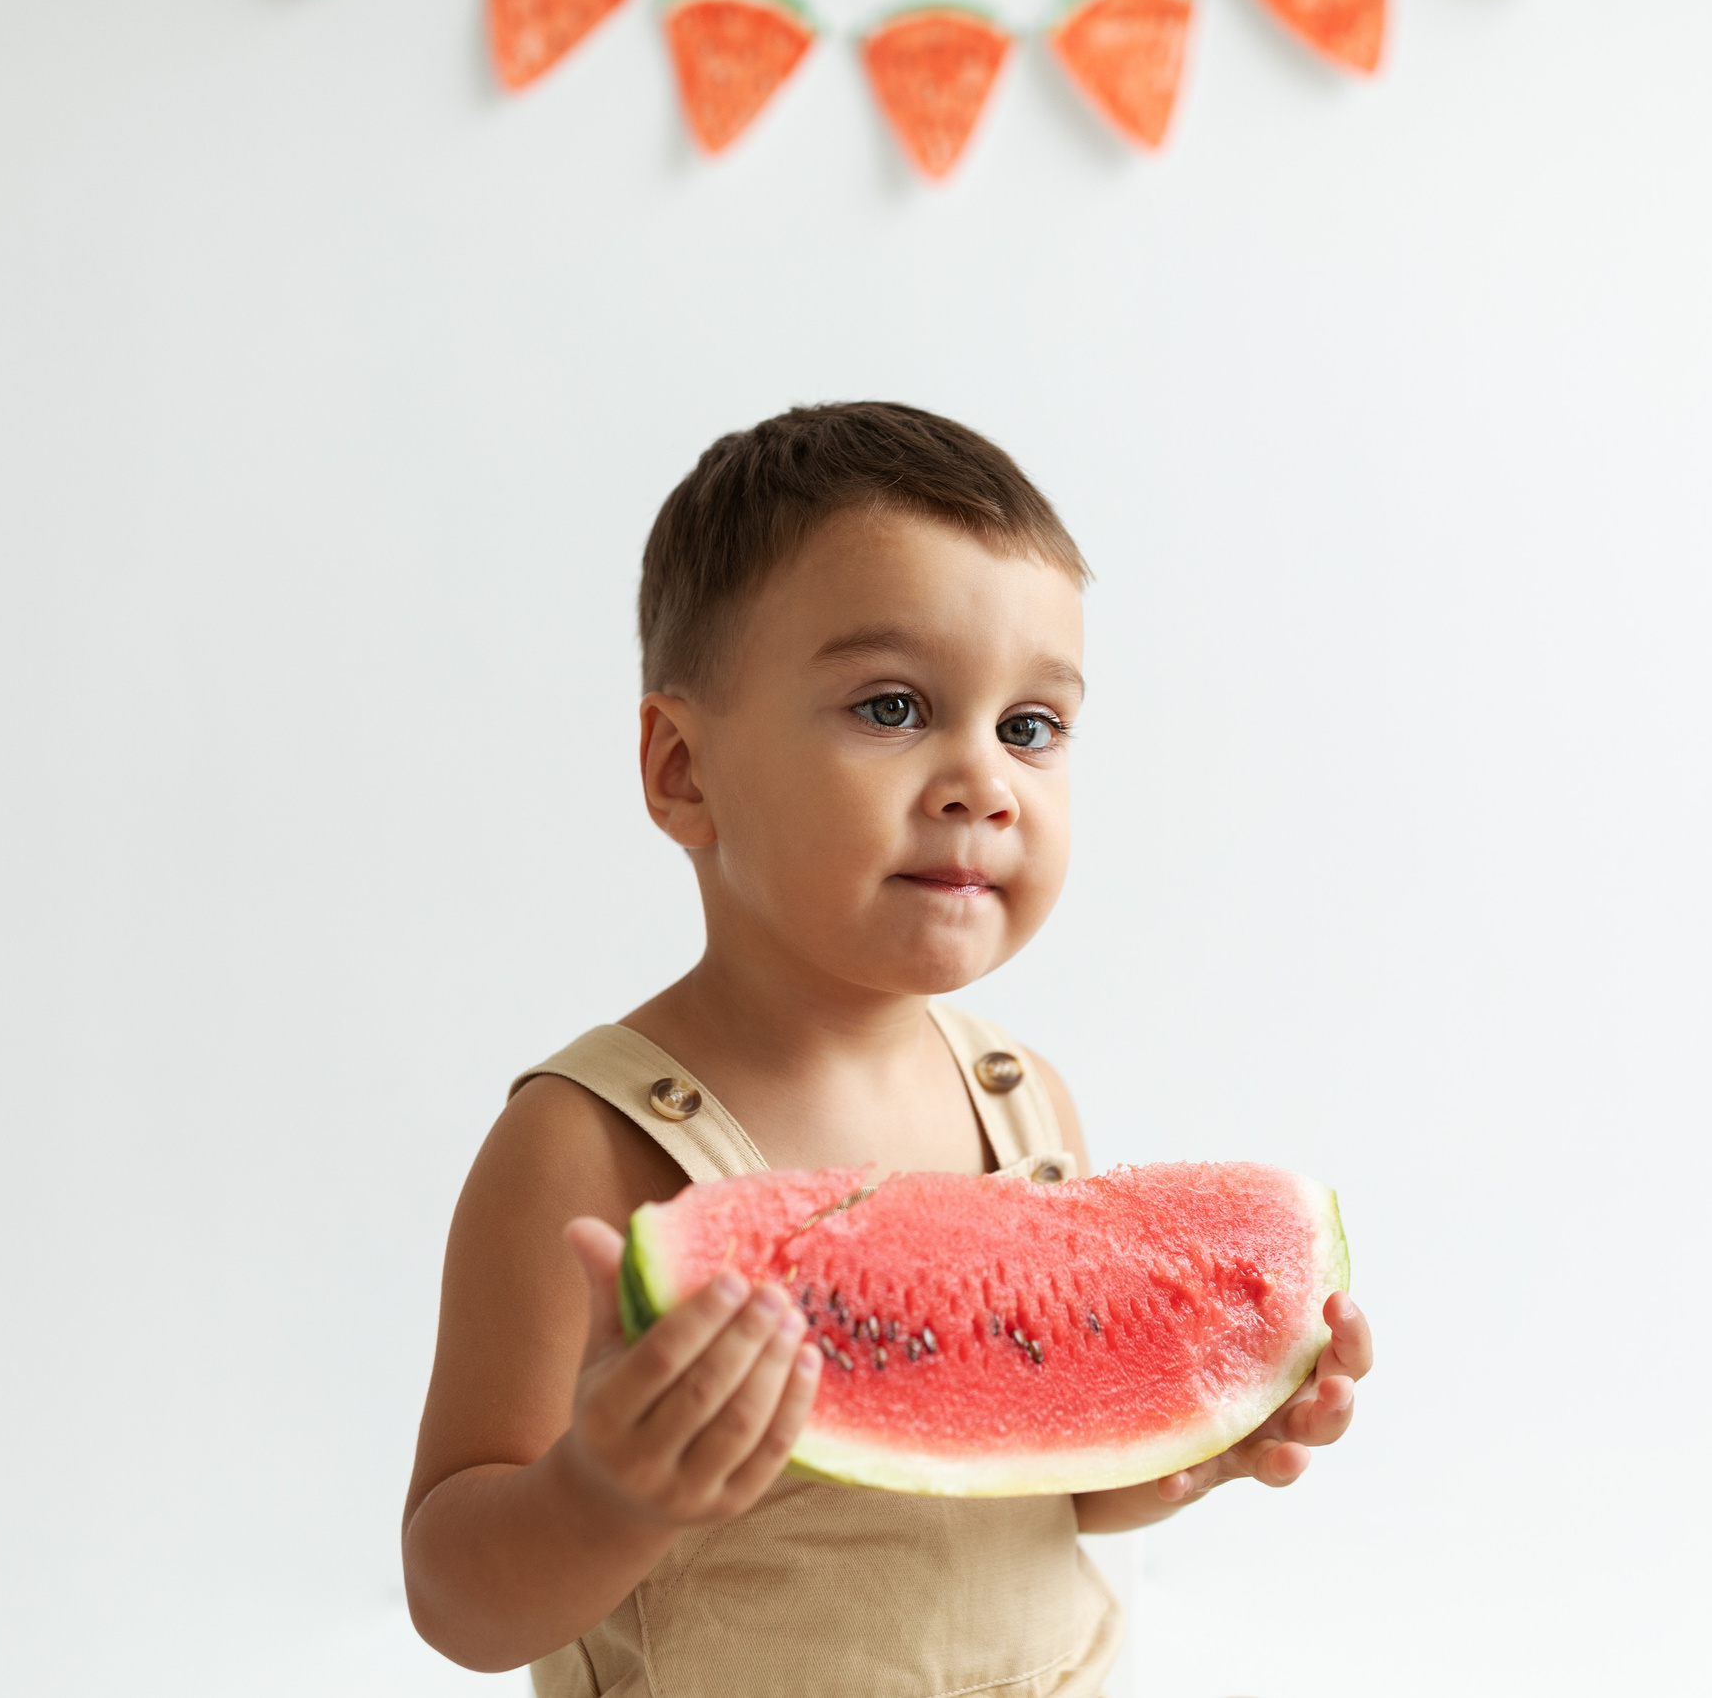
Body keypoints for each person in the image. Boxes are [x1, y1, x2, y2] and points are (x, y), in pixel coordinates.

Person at [401, 403, 1375, 1695]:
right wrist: (604, 1494)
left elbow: (1020, 1483)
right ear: (683, 770)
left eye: (1032, 726)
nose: (984, 779)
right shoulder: (588, 1141)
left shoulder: (1025, 1107)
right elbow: (455, 1599)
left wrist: (1183, 1440)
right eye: (894, 706)